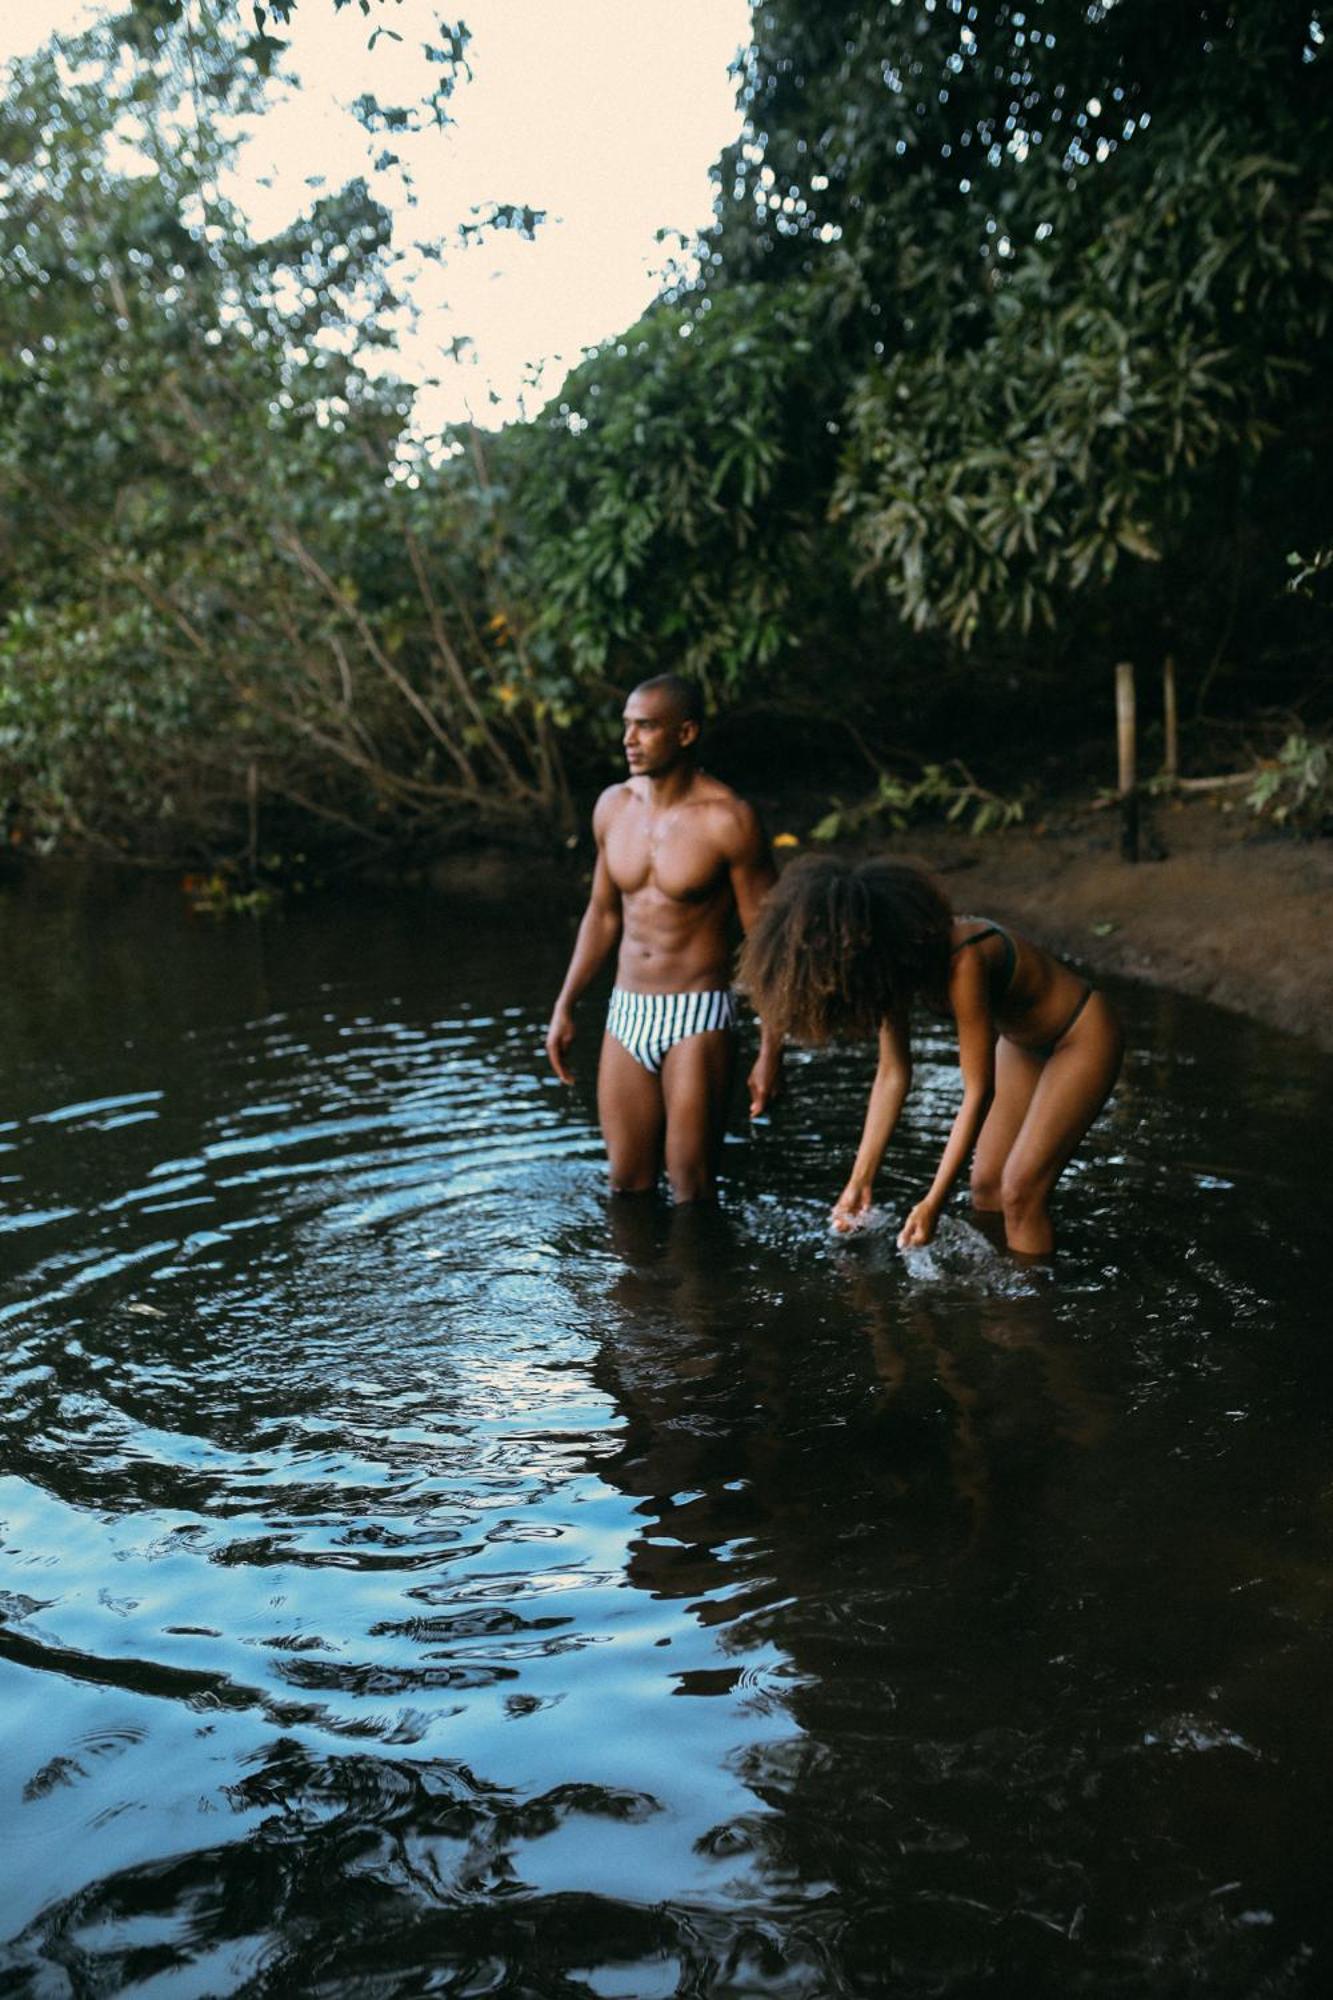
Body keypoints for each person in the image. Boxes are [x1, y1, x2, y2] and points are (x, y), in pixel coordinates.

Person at [738, 855, 1123, 1255]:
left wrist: (932, 1203)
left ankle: (1031, 1308)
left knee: (1020, 1194)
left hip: (1080, 1034)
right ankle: (997, 1285)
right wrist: (859, 1180)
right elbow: (892, 1075)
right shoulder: (894, 973)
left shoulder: (964, 961)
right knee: (985, 1190)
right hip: (1023, 1043)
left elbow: (977, 1092)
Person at [545, 673, 783, 1202]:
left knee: (691, 1188)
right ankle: (635, 1287)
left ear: (686, 733)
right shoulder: (612, 807)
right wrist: (566, 1004)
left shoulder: (728, 820)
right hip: (626, 1010)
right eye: (627, 726)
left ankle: (703, 1286)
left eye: (646, 727)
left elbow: (768, 939)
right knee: (627, 1184)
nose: (629, 740)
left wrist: (772, 1047)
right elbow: (603, 915)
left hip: (696, 1013)